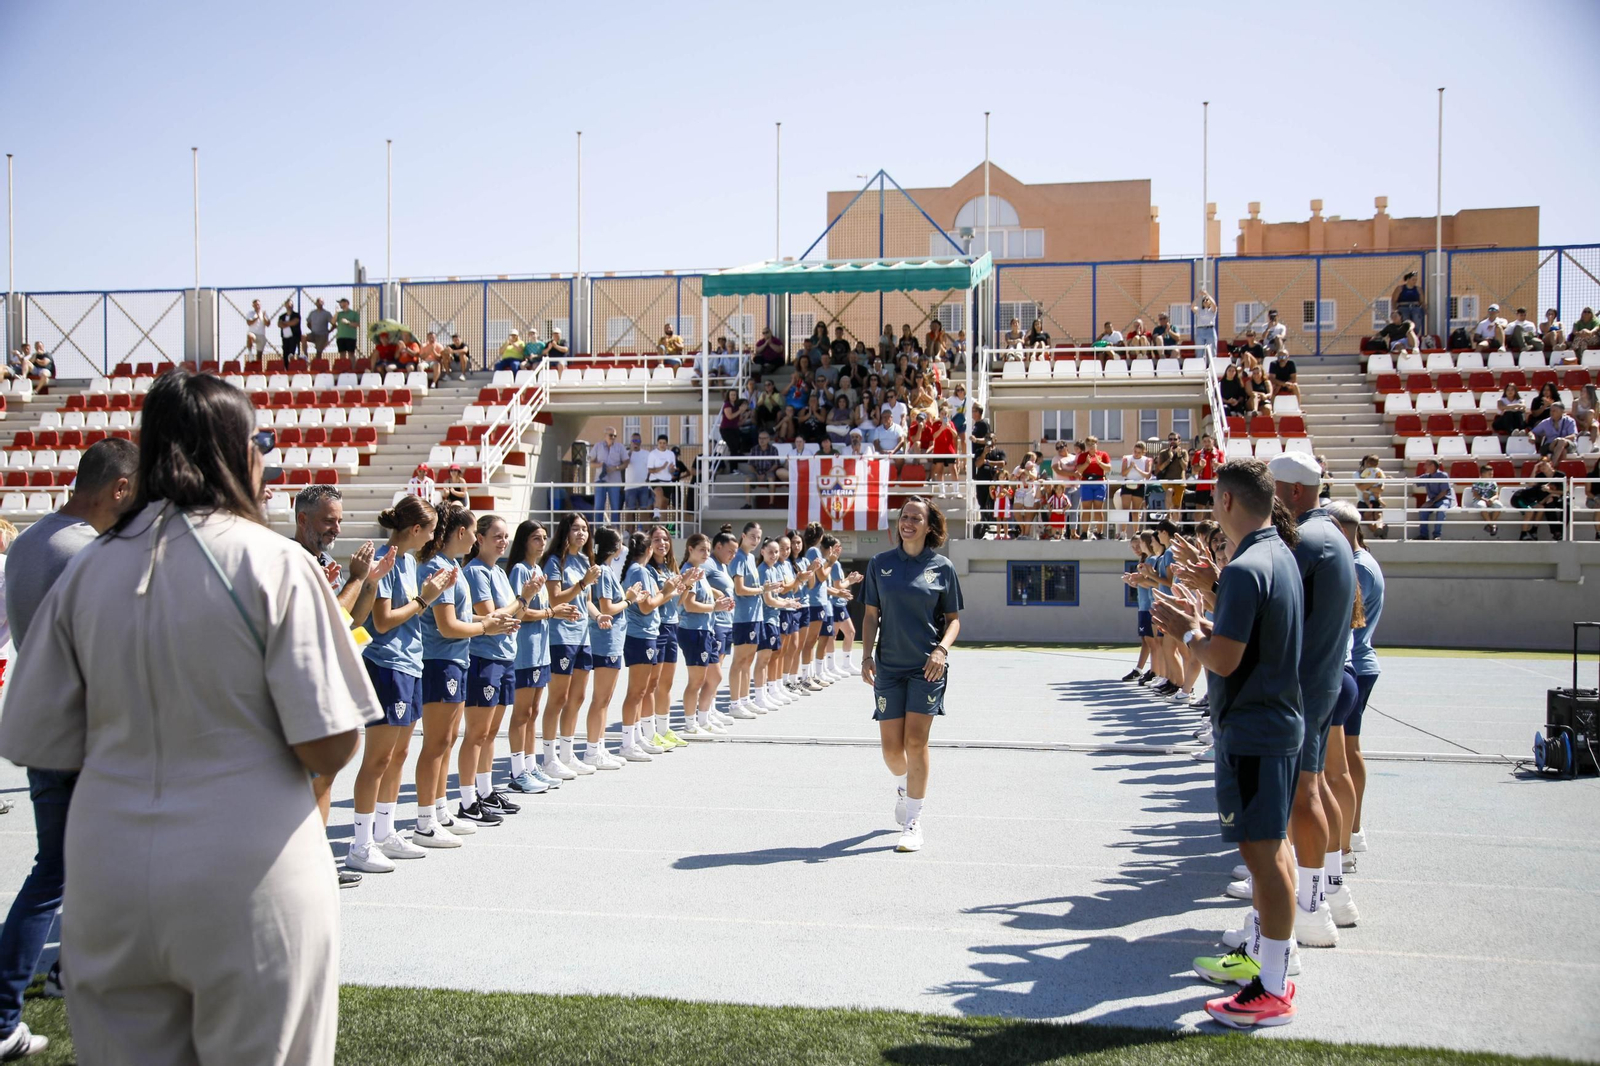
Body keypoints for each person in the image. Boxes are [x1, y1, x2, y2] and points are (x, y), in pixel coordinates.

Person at [0, 371, 375, 1065]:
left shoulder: (86, 569)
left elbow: (33, 735)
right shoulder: (276, 561)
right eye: (261, 440)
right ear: (238, 450)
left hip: (108, 865)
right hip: (251, 865)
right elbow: (331, 746)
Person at [0, 439, 138, 1062]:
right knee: (59, 872)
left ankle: (64, 973)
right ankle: (4, 1011)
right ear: (119, 487)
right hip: (80, 729)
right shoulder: (82, 552)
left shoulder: (31, 540)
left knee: (73, 867)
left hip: (48, 721)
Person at [1154, 459, 1303, 1029]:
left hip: (1254, 731)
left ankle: (1272, 989)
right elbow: (1250, 636)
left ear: (1226, 502)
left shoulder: (1245, 567)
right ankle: (1272, 972)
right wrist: (1205, 610)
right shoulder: (1278, 556)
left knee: (1263, 858)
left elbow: (1223, 657)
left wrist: (1184, 629)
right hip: (1276, 724)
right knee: (1274, 854)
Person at [1264, 451, 1358, 950]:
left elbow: (1267, 606)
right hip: (1318, 684)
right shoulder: (1331, 537)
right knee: (1312, 790)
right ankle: (1322, 900)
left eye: (1272, 488)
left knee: (1290, 800)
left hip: (1299, 689)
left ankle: (1299, 914)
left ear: (1294, 492)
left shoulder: (1307, 540)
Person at [349, 496, 461, 870]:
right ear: (416, 530)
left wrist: (425, 594)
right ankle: (361, 843)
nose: (433, 539)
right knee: (378, 758)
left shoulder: (410, 562)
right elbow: (381, 622)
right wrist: (426, 598)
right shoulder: (389, 559)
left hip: (410, 663)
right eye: (430, 531)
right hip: (387, 664)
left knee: (397, 755)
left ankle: (383, 832)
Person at [290, 484, 389, 882]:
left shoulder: (322, 558)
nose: (336, 528)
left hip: (329, 681)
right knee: (307, 782)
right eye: (329, 520)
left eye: (340, 521)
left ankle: (316, 863)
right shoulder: (295, 559)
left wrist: (369, 583)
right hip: (304, 686)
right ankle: (301, 868)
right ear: (302, 519)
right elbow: (331, 614)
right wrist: (355, 578)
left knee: (325, 778)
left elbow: (355, 620)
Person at [415, 504, 521, 849]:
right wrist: (485, 626)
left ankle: (440, 812)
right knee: (436, 744)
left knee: (446, 741)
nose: (477, 538)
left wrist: (484, 626)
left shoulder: (451, 566)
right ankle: (425, 820)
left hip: (456, 660)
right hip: (441, 660)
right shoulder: (438, 567)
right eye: (475, 532)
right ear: (461, 533)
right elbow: (447, 626)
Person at [860, 497, 962, 855]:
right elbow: (871, 615)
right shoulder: (880, 564)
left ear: (929, 526)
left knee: (916, 743)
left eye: (916, 518)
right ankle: (905, 785)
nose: (908, 522)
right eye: (904, 516)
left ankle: (913, 821)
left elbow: (954, 621)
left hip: (927, 668)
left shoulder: (943, 567)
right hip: (888, 667)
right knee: (892, 751)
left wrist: (942, 650)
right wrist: (866, 655)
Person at [1328, 500, 1382, 861]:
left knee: (1343, 757)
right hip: (1359, 664)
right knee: (1346, 753)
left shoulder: (1357, 567)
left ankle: (1349, 834)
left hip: (1354, 666)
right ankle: (1352, 831)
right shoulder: (1362, 563)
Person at [540, 513, 604, 772]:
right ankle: (549, 757)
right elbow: (555, 599)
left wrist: (598, 615)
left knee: (577, 697)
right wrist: (582, 583)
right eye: (575, 528)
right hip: (561, 637)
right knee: (558, 697)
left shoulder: (585, 560)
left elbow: (585, 600)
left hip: (582, 636)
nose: (581, 533)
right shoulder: (555, 561)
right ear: (564, 532)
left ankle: (567, 754)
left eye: (585, 529)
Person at [583, 525, 634, 766]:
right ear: (616, 548)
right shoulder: (603, 571)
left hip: (612, 641)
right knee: (601, 698)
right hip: (605, 641)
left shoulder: (607, 570)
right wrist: (628, 600)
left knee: (605, 699)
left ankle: (598, 747)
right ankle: (593, 750)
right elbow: (606, 608)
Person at [590, 426, 627, 525]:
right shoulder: (598, 446)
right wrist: (601, 465)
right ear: (605, 435)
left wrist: (616, 468)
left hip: (614, 481)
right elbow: (591, 462)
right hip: (600, 480)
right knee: (599, 506)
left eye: (615, 435)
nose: (613, 437)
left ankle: (615, 530)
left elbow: (626, 462)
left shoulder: (620, 447)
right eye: (611, 435)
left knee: (615, 507)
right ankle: (599, 530)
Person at [1415, 458, 1454, 540]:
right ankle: (1424, 535)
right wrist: (1395, 479)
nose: (1424, 467)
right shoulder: (1426, 476)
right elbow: (1415, 480)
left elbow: (1444, 492)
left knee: (1441, 511)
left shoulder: (1443, 475)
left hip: (1443, 500)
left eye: (1426, 465)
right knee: (1423, 511)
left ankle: (1437, 535)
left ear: (1432, 466)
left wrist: (1432, 502)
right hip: (1433, 501)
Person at [1355, 454, 1388, 538]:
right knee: (1368, 517)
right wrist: (1374, 482)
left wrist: (1368, 487)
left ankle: (1379, 530)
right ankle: (1381, 532)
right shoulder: (1357, 474)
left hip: (1375, 498)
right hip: (1363, 501)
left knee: (1378, 515)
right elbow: (1360, 487)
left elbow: (1381, 489)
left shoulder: (1369, 472)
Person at [1467, 464, 1504, 536]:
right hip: (1479, 500)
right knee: (1482, 506)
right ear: (1483, 474)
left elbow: (1496, 495)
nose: (1491, 475)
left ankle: (1490, 525)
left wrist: (1491, 499)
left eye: (1492, 474)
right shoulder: (1476, 482)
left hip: (1491, 499)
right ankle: (1492, 525)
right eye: (1489, 474)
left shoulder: (1493, 482)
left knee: (1499, 505)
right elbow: (1475, 495)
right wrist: (1485, 500)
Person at [1390, 271, 1425, 335]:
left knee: (1417, 323)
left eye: (1416, 280)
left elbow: (1422, 301)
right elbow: (1394, 300)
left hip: (1415, 307)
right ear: (1408, 279)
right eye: (1413, 279)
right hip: (1403, 307)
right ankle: (1405, 337)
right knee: (1405, 324)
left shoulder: (1418, 289)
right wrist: (1395, 310)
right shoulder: (1400, 288)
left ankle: (1414, 336)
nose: (1414, 281)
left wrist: (1425, 308)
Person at [334, 297, 361, 364]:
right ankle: (343, 368)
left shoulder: (354, 313)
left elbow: (358, 324)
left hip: (350, 337)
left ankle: (353, 369)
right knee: (342, 354)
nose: (340, 304)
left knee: (351, 354)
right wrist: (336, 313)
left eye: (341, 302)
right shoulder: (339, 314)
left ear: (346, 303)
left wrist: (348, 322)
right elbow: (332, 321)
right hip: (340, 337)